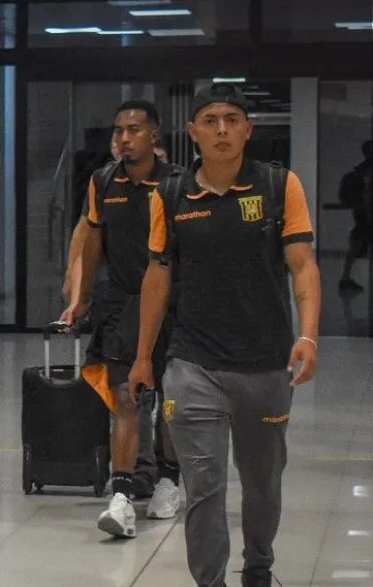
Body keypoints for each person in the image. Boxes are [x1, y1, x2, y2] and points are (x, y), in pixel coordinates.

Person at [129, 83, 321, 587]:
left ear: (248, 130)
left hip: (265, 364)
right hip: (192, 362)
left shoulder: (279, 186)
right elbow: (157, 276)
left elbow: (302, 265)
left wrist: (309, 336)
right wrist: (144, 355)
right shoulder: (170, 195)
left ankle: (258, 567)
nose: (222, 130)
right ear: (192, 131)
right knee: (205, 487)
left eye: (232, 120)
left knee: (262, 485)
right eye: (211, 121)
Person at [61, 100, 184, 540]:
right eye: (119, 131)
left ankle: (168, 479)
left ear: (155, 135)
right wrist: (81, 297)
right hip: (121, 301)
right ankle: (123, 495)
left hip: (173, 305)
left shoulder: (176, 183)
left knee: (168, 399)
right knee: (124, 398)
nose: (125, 138)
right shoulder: (103, 181)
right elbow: (92, 238)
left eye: (134, 129)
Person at [338, 140, 372, 291]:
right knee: (356, 244)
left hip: (362, 215)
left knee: (356, 245)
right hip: (365, 215)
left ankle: (345, 278)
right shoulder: (362, 172)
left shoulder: (358, 172)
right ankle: (345, 278)